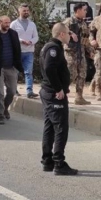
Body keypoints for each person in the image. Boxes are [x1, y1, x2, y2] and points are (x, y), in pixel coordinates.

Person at [40, 22, 78, 176]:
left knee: (49, 127)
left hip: (48, 92)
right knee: (61, 128)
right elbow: (49, 68)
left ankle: (47, 160)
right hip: (54, 94)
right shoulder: (54, 48)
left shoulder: (50, 46)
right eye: (68, 33)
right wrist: (58, 89)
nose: (70, 36)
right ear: (61, 34)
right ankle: (59, 163)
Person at [0, 16, 24, 125]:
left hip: (11, 67)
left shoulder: (13, 34)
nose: (8, 25)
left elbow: (17, 50)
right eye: (5, 23)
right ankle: (0, 114)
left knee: (12, 91)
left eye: (9, 22)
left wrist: (18, 66)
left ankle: (5, 108)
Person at [62, 3, 95, 105]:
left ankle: (79, 97)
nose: (86, 12)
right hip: (71, 54)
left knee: (82, 74)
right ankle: (62, 94)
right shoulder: (68, 21)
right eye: (84, 10)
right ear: (78, 10)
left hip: (81, 53)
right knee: (70, 75)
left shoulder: (84, 24)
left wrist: (90, 51)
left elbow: (86, 39)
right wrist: (71, 33)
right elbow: (59, 30)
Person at [10, 3, 39, 99]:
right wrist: (22, 41)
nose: (26, 12)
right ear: (19, 11)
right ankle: (14, 90)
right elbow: (11, 37)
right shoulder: (14, 24)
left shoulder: (32, 24)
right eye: (24, 11)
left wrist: (31, 41)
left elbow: (36, 37)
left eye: (27, 11)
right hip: (18, 51)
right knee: (15, 72)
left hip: (29, 51)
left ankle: (29, 91)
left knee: (28, 72)